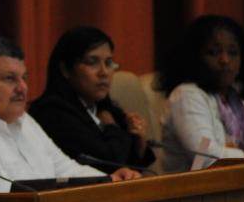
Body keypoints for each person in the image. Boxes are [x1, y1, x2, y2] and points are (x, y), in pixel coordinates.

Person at [0, 36, 139, 192]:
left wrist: (109, 180)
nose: (22, 88)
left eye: (24, 78)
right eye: (10, 79)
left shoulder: (21, 117)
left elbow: (65, 169)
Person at [157, 15, 244, 172]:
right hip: (191, 193)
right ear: (194, 57)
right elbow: (205, 159)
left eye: (233, 53)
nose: (225, 60)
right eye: (213, 52)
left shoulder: (230, 99)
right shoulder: (186, 95)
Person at [30, 26, 155, 173]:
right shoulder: (52, 112)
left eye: (108, 63)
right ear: (65, 69)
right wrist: (111, 127)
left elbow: (134, 168)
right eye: (92, 62)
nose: (104, 72)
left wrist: (140, 143)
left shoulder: (104, 108)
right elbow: (110, 165)